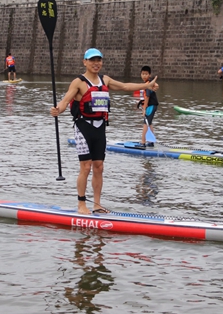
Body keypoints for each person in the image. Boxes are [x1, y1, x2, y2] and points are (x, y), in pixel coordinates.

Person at [50, 48, 159, 215]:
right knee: (85, 167)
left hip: (100, 128)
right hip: (83, 127)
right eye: (92, 60)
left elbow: (124, 86)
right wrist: (58, 109)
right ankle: (81, 204)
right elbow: (65, 101)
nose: (96, 63)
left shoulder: (105, 80)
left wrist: (147, 85)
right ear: (85, 62)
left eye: (99, 60)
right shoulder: (78, 82)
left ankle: (97, 204)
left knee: (99, 167)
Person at [137, 66, 159, 147]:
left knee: (145, 124)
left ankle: (143, 142)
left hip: (150, 106)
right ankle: (151, 141)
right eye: (142, 74)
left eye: (146, 74)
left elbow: (147, 97)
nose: (144, 76)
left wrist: (144, 109)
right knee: (149, 123)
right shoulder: (147, 84)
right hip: (151, 106)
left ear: (149, 75)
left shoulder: (148, 84)